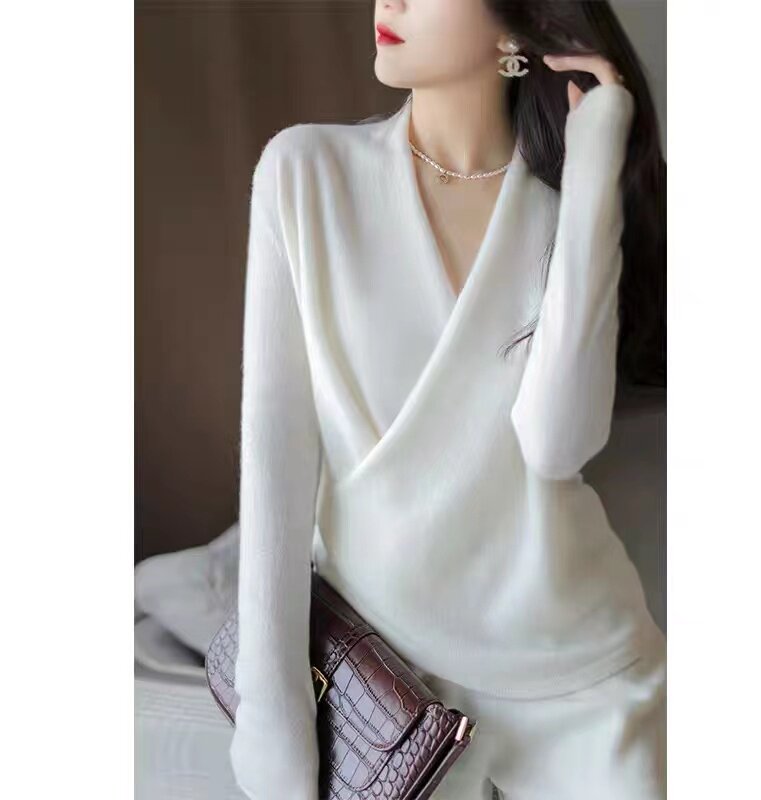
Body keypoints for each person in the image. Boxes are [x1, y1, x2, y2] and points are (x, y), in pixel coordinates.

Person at [231, 1, 667, 798]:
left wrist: (595, 166)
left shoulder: (558, 203)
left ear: (515, 25)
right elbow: (275, 454)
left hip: (579, 672)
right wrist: (272, 711)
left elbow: (558, 444)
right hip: (390, 687)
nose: (389, 2)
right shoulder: (305, 172)